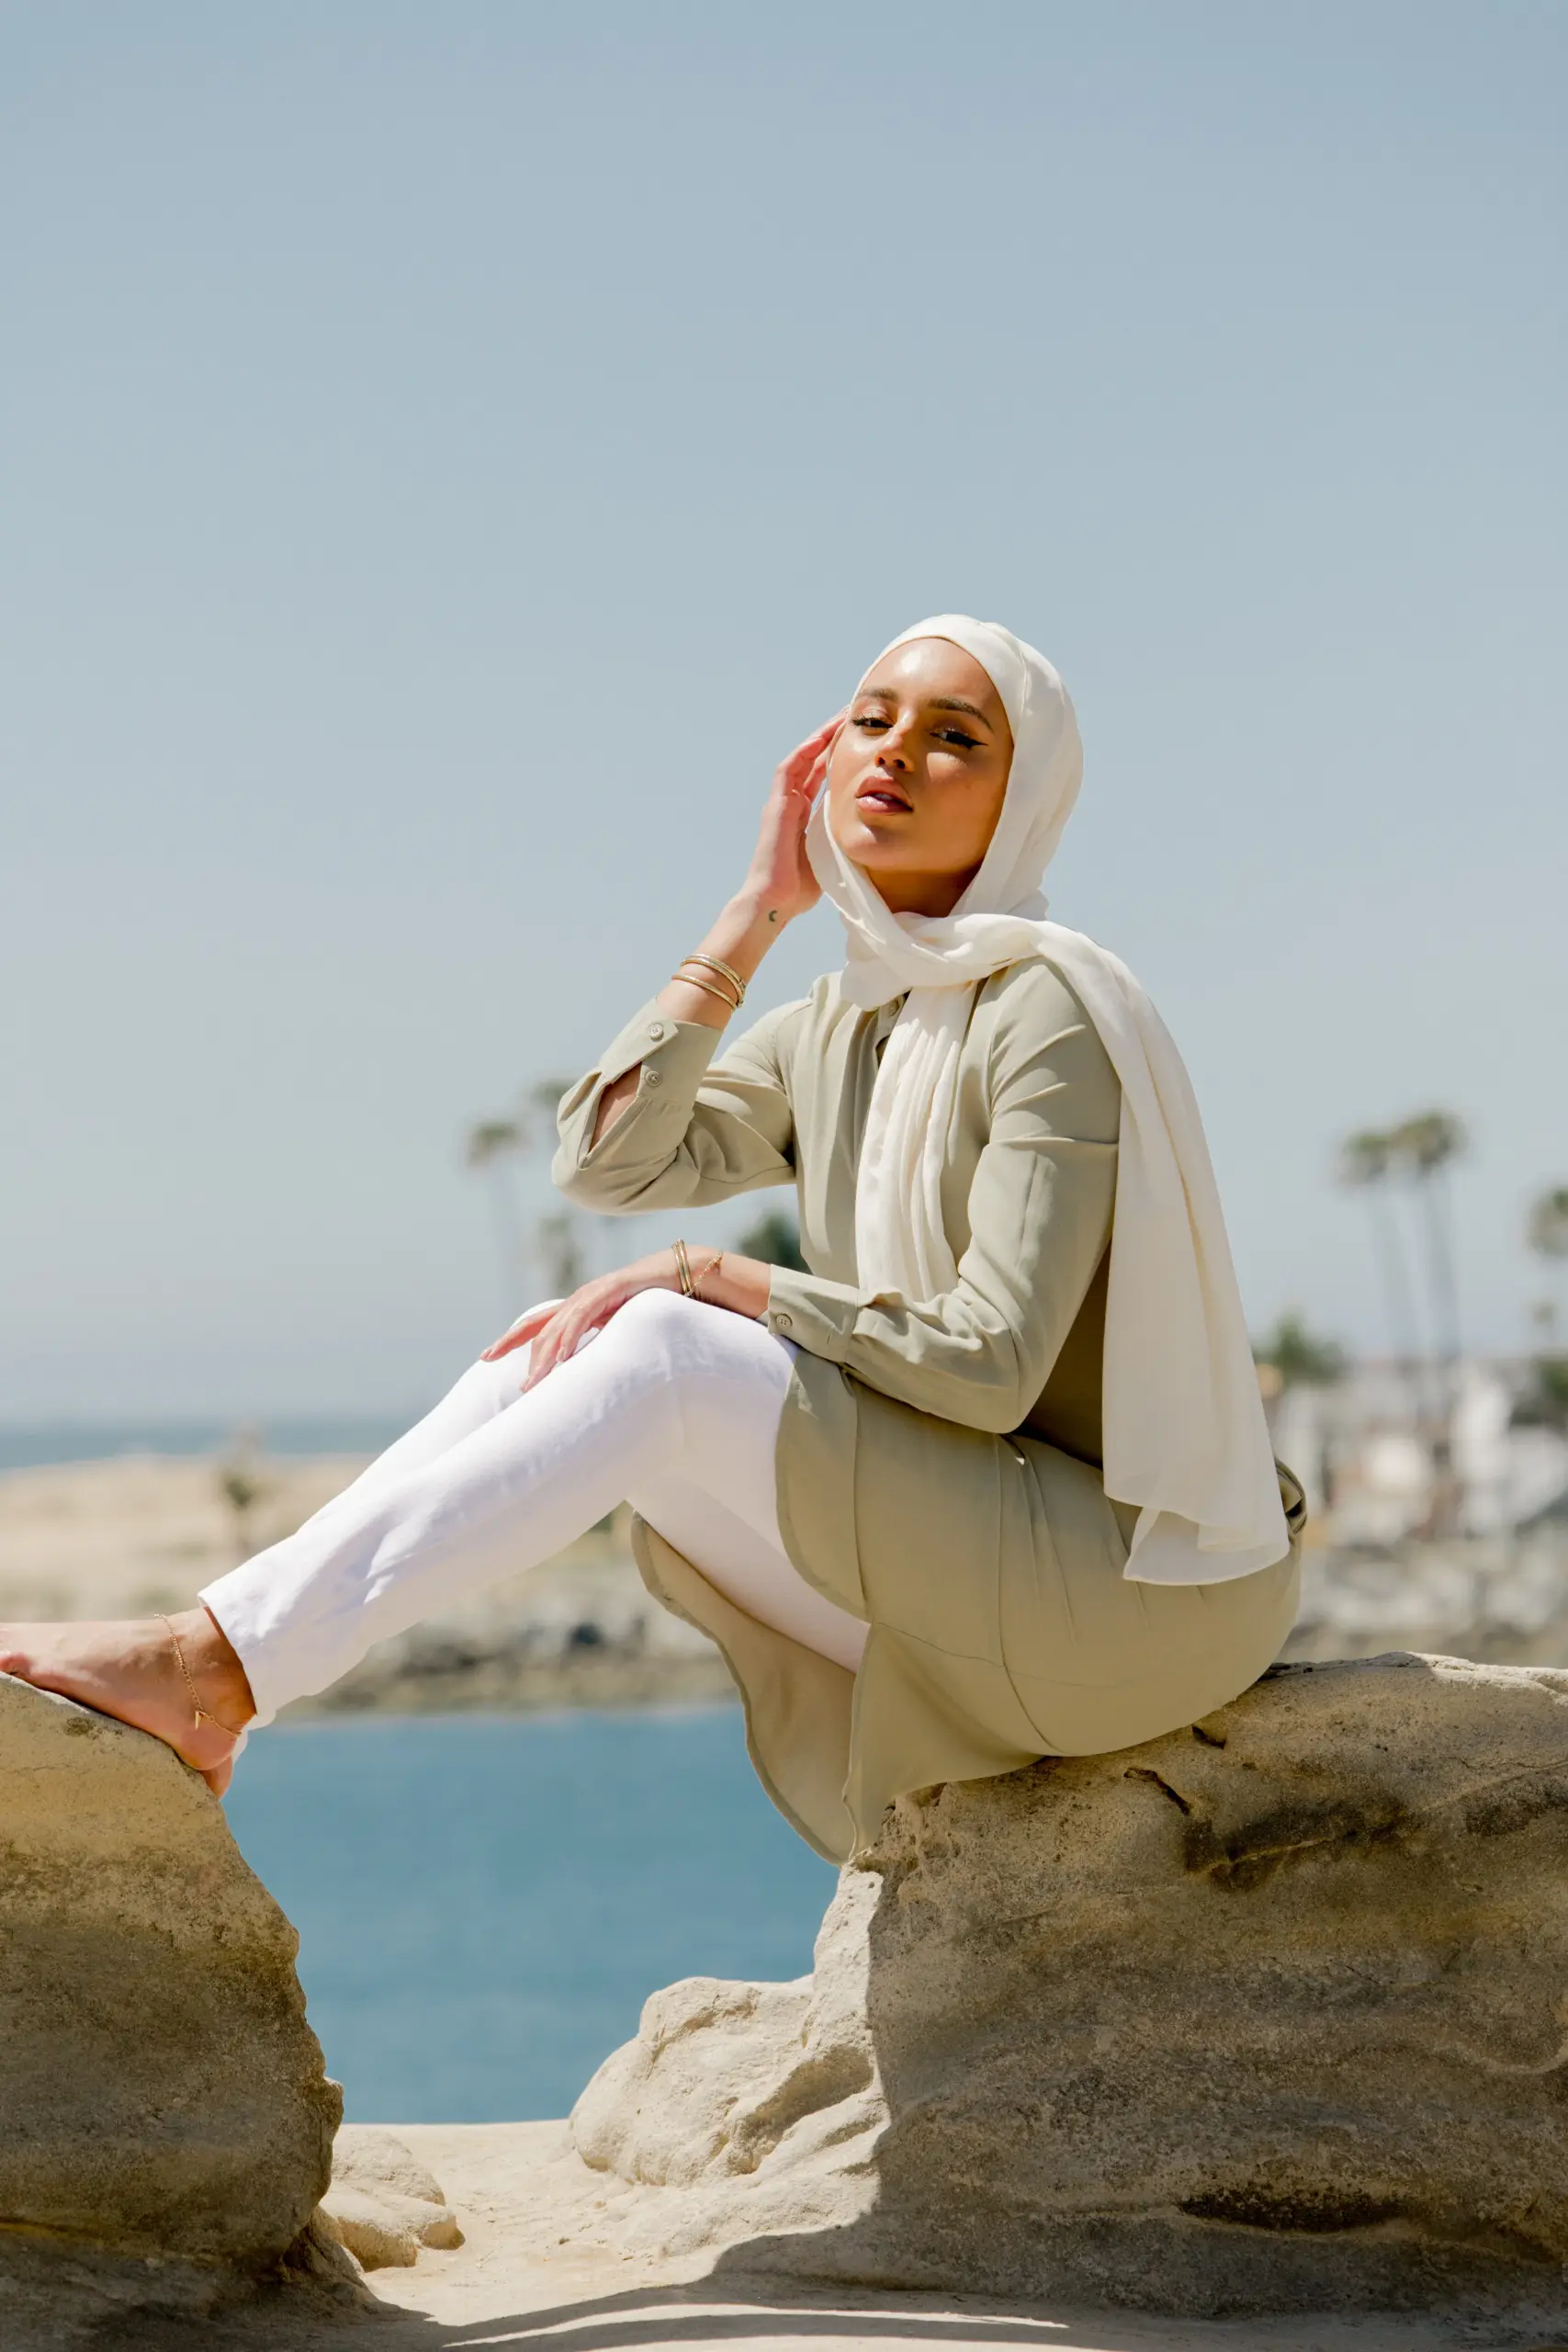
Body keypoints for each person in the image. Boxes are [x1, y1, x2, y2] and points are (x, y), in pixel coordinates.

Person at [0, 617, 1303, 1856]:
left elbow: (989, 1364)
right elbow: (609, 1160)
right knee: (555, 1350)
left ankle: (214, 1664)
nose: (897, 751)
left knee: (664, 1343)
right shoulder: (843, 1021)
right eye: (869, 719)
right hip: (982, 1558)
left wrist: (717, 1278)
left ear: (1024, 801)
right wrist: (754, 907)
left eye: (955, 735)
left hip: (1134, 1597)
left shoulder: (1046, 1012)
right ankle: (219, 1664)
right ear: (821, 766)